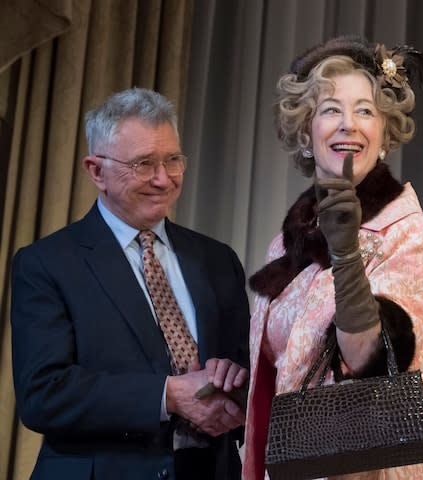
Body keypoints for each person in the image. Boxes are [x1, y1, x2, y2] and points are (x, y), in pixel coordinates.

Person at [11, 87, 250, 480]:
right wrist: (168, 396)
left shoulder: (218, 260)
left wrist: (235, 389)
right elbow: (43, 394)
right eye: (143, 164)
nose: (163, 179)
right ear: (96, 171)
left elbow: (245, 366)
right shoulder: (47, 263)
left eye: (173, 160)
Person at [243, 35, 423, 479]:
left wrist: (346, 254)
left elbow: (372, 360)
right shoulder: (288, 245)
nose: (349, 125)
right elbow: (286, 365)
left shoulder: (410, 236)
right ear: (305, 131)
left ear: (384, 134)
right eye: (332, 109)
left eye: (365, 111)